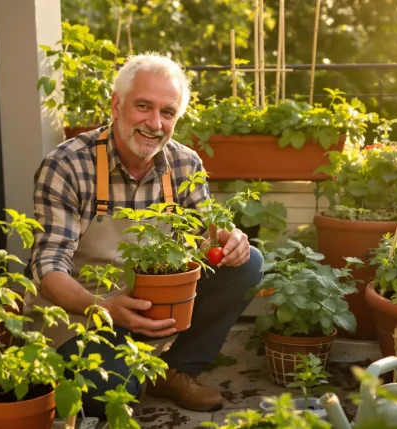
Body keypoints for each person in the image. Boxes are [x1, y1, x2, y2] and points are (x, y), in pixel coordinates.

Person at [26, 52, 263, 416]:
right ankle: (132, 370)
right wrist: (104, 308)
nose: (154, 123)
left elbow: (206, 233)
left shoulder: (184, 163)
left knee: (247, 264)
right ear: (116, 105)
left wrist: (230, 240)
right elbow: (47, 266)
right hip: (83, 315)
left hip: (153, 306)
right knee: (110, 393)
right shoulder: (68, 164)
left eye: (167, 112)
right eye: (143, 106)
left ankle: (175, 369)